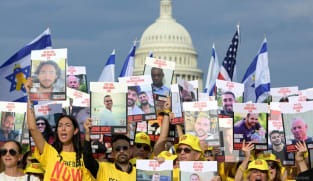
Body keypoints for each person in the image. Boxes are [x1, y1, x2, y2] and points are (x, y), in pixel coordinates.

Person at [25, 77, 93, 181]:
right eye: (60, 126)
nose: (63, 128)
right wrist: (30, 95)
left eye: (67, 125)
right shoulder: (50, 153)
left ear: (75, 131)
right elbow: (33, 128)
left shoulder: (83, 160)